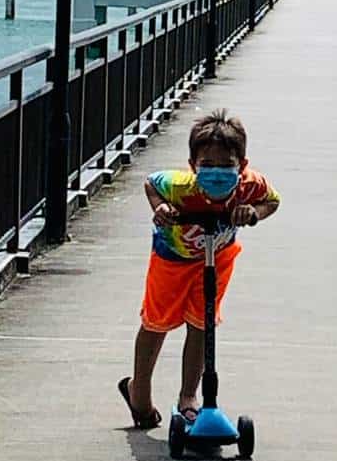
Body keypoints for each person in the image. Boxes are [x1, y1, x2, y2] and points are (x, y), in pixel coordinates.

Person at [119, 110, 280, 428]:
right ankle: (139, 393)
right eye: (207, 166)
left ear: (242, 166)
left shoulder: (249, 185)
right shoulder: (179, 185)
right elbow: (151, 183)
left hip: (217, 257)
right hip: (172, 257)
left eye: (226, 166)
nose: (217, 173)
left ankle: (189, 397)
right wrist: (161, 208)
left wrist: (253, 214)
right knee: (157, 322)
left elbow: (272, 201)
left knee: (202, 322)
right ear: (193, 166)